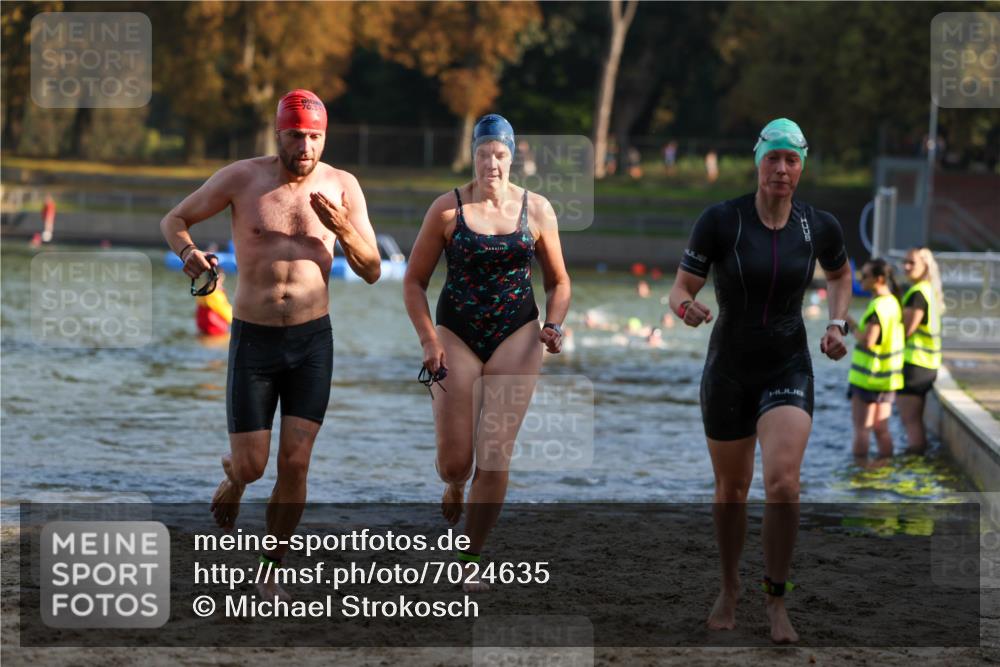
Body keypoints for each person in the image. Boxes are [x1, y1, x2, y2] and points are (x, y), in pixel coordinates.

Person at [159, 89, 381, 601]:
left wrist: (343, 228)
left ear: (324, 138)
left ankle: (271, 565)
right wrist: (190, 253)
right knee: (254, 465)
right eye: (296, 135)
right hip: (254, 340)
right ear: (277, 133)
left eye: (315, 137)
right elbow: (173, 220)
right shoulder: (243, 178)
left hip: (312, 342)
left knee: (296, 463)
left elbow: (371, 271)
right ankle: (235, 479)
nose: (305, 146)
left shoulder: (343, 187)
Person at [668, 118, 853, 643]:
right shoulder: (721, 220)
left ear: (801, 167)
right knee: (732, 489)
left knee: (784, 484)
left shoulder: (819, 226)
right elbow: (681, 284)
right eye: (773, 158)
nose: (781, 169)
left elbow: (841, 275)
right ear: (758, 161)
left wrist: (837, 323)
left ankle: (776, 600)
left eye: (791, 160)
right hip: (728, 368)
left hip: (788, 364)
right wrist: (684, 305)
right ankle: (730, 587)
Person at [403, 114, 571, 591]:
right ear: (473, 156)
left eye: (500, 155)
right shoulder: (447, 210)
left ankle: (469, 556)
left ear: (512, 157)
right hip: (455, 333)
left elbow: (559, 282)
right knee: (456, 462)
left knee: (495, 454)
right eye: (483, 154)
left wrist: (554, 325)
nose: (491, 164)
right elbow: (414, 282)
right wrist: (429, 341)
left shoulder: (536, 210)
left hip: (517, 332)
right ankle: (455, 483)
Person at [846, 258, 904, 462]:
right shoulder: (893, 302)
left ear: (879, 279)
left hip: (868, 378)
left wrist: (850, 323)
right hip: (888, 379)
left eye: (865, 276)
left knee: (862, 429)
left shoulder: (879, 306)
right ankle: (884, 469)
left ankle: (859, 473)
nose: (860, 279)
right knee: (882, 429)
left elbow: (868, 340)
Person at [898, 248, 944, 454]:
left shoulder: (918, 294)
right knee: (914, 421)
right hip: (927, 364)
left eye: (912, 263)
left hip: (915, 364)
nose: (906, 267)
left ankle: (913, 466)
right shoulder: (929, 291)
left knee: (910, 422)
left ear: (925, 266)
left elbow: (906, 330)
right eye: (904, 262)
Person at [195, 269, 233, 336]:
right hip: (215, 328)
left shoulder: (202, 291)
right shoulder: (215, 294)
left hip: (202, 327)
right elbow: (226, 313)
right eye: (220, 282)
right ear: (214, 281)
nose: (222, 286)